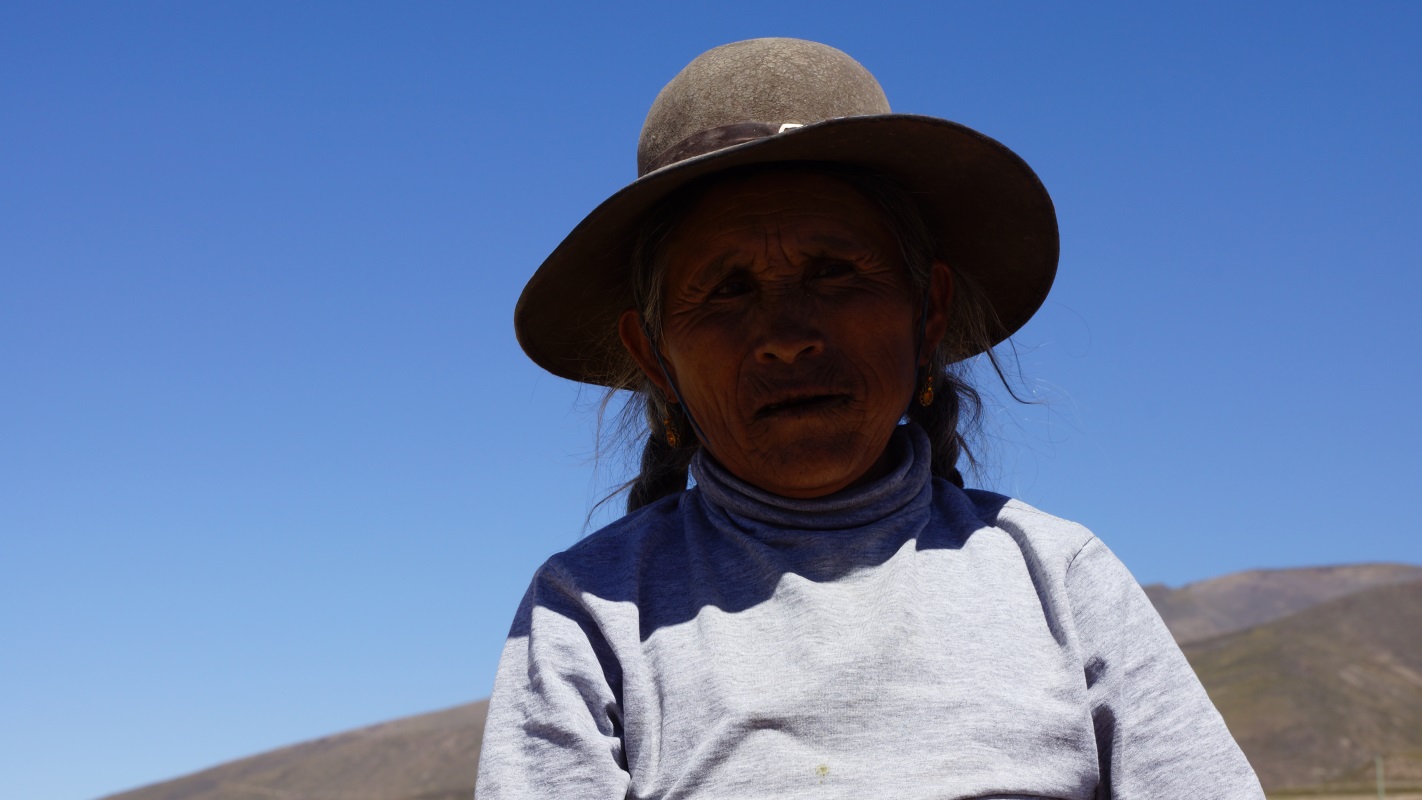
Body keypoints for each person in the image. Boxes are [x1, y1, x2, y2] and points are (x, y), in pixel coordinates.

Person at [477, 38, 1264, 799]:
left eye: (834, 272)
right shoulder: (589, 611)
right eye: (726, 289)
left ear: (928, 313)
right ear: (654, 355)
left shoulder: (1060, 579)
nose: (787, 336)